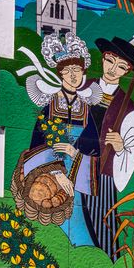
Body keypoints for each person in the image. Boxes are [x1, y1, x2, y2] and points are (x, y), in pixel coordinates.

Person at [20, 33, 101, 246]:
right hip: (49, 174)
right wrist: (56, 172)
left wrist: (75, 154)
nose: (73, 75)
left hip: (77, 172)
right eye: (68, 70)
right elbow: (36, 146)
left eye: (77, 70)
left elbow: (96, 150)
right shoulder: (49, 107)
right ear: (60, 74)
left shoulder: (86, 109)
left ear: (83, 73)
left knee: (80, 226)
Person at [72, 37, 134, 258]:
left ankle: (109, 261)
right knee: (74, 217)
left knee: (103, 223)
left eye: (121, 67)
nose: (113, 69)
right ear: (103, 59)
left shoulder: (128, 107)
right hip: (72, 161)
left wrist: (121, 147)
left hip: (102, 173)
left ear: (127, 71)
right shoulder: (82, 88)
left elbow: (133, 145)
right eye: (110, 61)